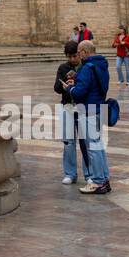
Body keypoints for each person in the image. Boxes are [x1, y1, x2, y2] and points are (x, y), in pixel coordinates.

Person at [64, 39, 111, 194]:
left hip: (89, 110)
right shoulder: (102, 65)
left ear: (84, 52)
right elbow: (97, 87)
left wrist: (70, 88)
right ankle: (104, 179)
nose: (78, 55)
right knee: (99, 146)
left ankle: (97, 181)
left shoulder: (87, 67)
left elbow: (79, 92)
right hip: (99, 108)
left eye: (79, 52)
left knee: (93, 148)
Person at [54, 40, 92, 185]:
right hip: (67, 106)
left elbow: (88, 87)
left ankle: (89, 174)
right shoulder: (63, 68)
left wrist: (76, 80)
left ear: (79, 54)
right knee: (69, 142)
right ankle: (70, 173)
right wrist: (65, 79)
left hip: (83, 107)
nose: (72, 59)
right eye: (69, 57)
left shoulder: (86, 67)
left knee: (85, 141)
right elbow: (57, 88)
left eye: (74, 56)